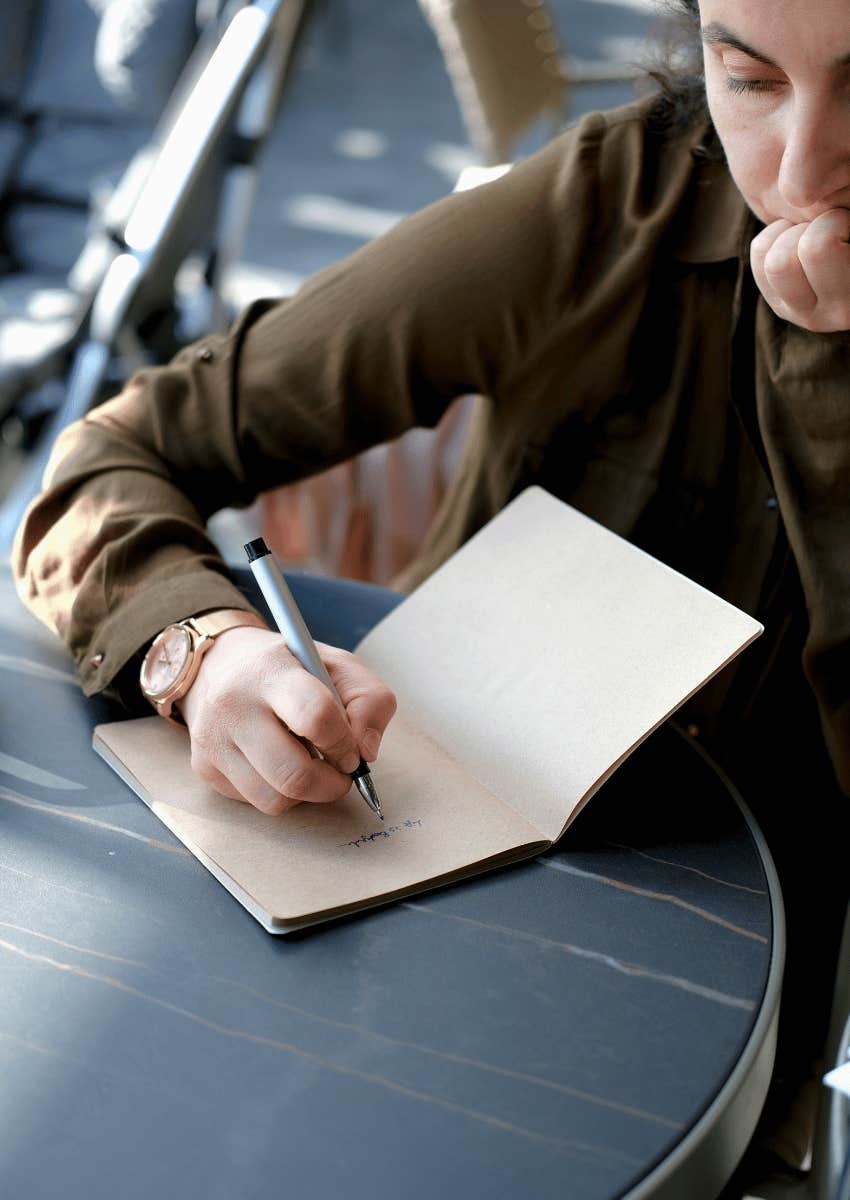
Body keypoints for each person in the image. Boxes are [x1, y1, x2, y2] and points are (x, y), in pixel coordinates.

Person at [12, 0, 850, 1190]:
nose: (802, 166)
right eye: (748, 78)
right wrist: (208, 655)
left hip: (774, 1028)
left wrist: (819, 373)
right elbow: (115, 451)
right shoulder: (610, 206)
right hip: (426, 935)